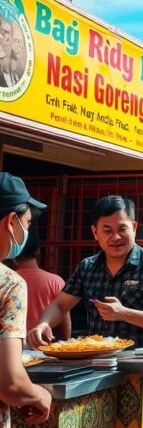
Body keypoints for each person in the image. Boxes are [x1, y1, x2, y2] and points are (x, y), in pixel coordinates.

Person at [28, 196, 143, 349]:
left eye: (122, 229)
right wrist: (44, 324)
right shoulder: (87, 267)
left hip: (141, 360)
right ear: (95, 232)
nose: (116, 237)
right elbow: (59, 305)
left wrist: (124, 313)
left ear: (134, 227)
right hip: (96, 360)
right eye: (107, 231)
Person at [0, 174, 51, 426]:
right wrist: (40, 395)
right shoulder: (8, 284)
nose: (26, 231)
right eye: (27, 224)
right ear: (11, 221)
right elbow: (10, 384)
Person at [13, 232, 69, 337]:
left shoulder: (7, 280)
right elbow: (65, 321)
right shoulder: (55, 281)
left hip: (10, 343)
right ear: (38, 252)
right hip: (42, 343)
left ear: (13, 256)